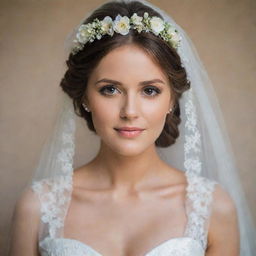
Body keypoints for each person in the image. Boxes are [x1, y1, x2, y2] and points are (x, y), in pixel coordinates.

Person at [8, 0, 255, 255]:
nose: (130, 111)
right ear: (84, 97)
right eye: (110, 89)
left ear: (171, 99)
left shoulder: (213, 208)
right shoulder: (37, 208)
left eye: (150, 90)